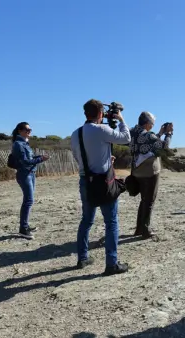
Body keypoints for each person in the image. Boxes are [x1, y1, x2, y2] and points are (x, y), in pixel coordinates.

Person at [70, 99, 131, 275]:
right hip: (104, 181)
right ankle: (111, 264)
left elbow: (78, 157)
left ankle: (82, 258)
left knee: (86, 221)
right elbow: (125, 138)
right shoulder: (102, 130)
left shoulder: (76, 134)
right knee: (111, 222)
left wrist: (104, 159)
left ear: (85, 113)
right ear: (100, 113)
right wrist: (121, 119)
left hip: (85, 180)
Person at [129, 112, 173, 240]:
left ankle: (139, 228)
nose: (152, 126)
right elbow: (164, 146)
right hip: (149, 171)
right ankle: (145, 229)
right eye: (152, 124)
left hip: (136, 170)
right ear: (148, 123)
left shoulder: (133, 132)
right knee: (149, 200)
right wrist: (169, 134)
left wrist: (159, 133)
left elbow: (150, 142)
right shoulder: (148, 135)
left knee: (143, 200)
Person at [11, 122, 49, 240]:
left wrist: (38, 157)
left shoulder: (24, 144)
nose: (29, 131)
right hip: (24, 174)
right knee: (28, 201)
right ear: (19, 131)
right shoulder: (18, 144)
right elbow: (25, 162)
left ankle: (25, 225)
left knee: (29, 201)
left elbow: (30, 158)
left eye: (30, 129)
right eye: (27, 129)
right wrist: (41, 159)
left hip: (30, 174)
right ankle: (23, 229)